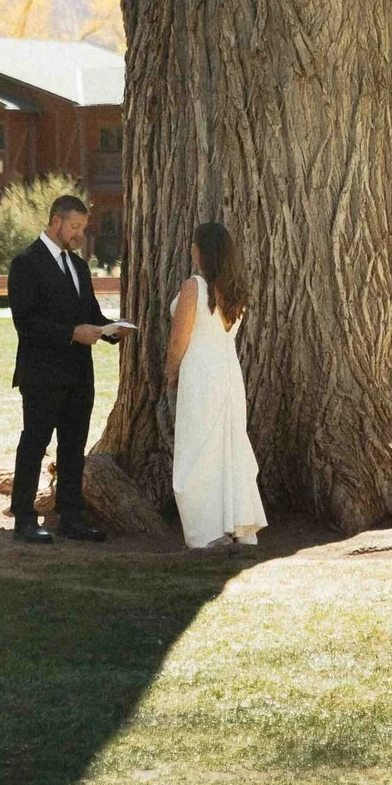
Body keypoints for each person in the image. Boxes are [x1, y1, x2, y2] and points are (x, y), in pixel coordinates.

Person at [7, 193, 124, 544]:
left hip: (78, 375)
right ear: (55, 221)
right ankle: (24, 518)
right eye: (75, 226)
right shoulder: (25, 263)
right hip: (42, 375)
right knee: (35, 443)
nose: (79, 234)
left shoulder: (78, 266)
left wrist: (111, 330)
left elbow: (88, 314)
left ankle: (71, 517)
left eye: (83, 228)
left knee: (73, 448)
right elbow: (25, 322)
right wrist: (72, 333)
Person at [167, 220, 266, 550]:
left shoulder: (194, 287)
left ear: (202, 252)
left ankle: (206, 531)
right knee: (227, 447)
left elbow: (179, 340)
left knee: (198, 450)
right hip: (227, 371)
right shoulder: (234, 288)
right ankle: (234, 523)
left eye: (195, 245)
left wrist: (171, 373)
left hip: (200, 371)